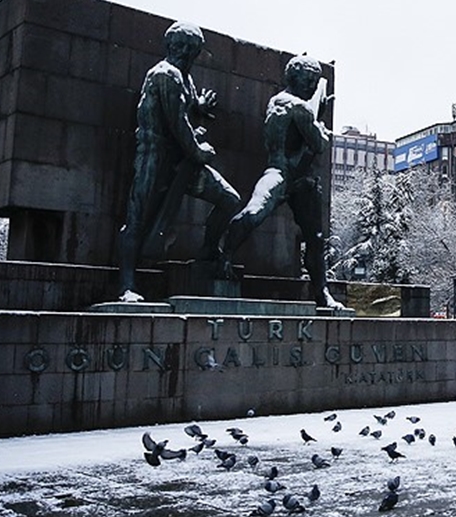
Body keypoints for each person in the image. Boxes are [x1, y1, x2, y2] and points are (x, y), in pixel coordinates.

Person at [117, 22, 241, 302]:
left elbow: (185, 107)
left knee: (229, 200)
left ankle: (208, 254)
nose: (184, 52)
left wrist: (199, 107)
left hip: (182, 162)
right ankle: (126, 285)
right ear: (168, 46)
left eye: (191, 49)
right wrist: (198, 151)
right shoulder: (165, 74)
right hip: (156, 156)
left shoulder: (184, 77)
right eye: (179, 46)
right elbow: (177, 123)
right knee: (137, 219)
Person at [222, 55, 342, 309]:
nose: (311, 85)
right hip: (287, 174)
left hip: (285, 174)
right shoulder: (297, 106)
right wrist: (319, 121)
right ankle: (321, 293)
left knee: (309, 234)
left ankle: (222, 255)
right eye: (308, 79)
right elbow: (318, 143)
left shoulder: (276, 101)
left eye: (313, 80)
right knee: (261, 215)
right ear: (295, 78)